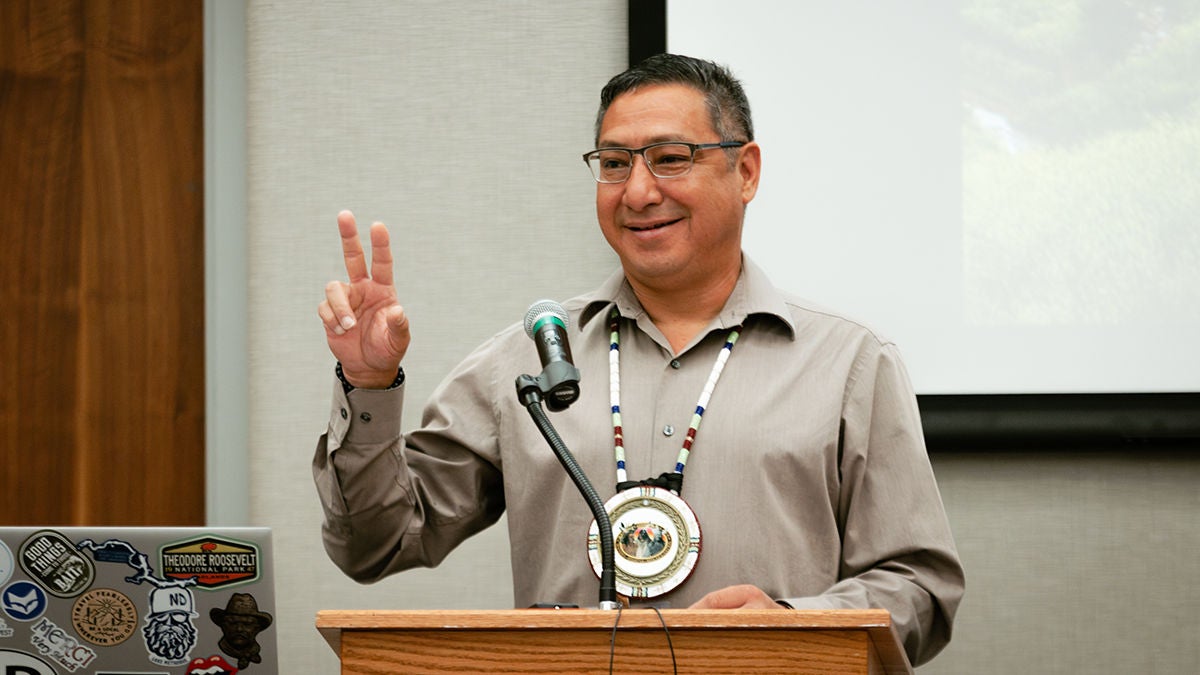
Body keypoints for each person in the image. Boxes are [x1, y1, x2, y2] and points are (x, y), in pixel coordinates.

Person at [313, 53, 964, 666]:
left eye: (671, 158)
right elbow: (377, 543)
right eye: (616, 163)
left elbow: (920, 585)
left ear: (746, 171)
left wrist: (792, 619)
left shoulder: (848, 362)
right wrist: (368, 384)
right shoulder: (530, 355)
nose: (639, 191)